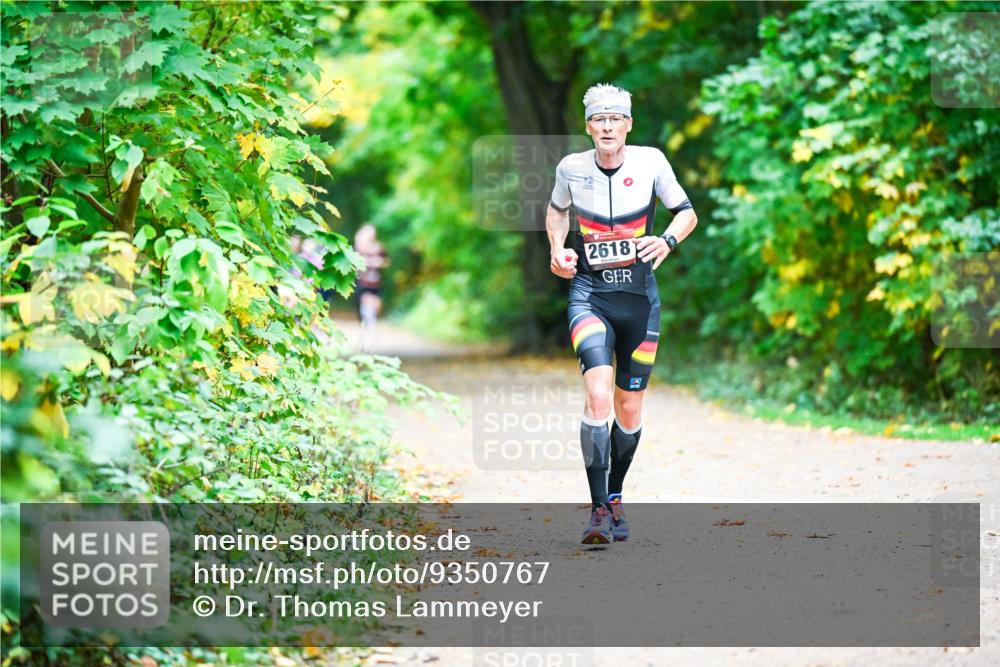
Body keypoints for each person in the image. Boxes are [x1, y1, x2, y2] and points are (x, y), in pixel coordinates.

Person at [546, 83, 698, 544]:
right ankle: (596, 512)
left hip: (639, 299)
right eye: (599, 119)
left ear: (628, 124)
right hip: (589, 294)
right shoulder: (571, 167)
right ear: (588, 125)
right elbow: (556, 213)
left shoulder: (651, 162)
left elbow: (686, 212)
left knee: (628, 408)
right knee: (596, 395)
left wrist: (667, 241)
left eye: (616, 118)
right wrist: (556, 248)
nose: (607, 126)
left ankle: (614, 495)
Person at [354, 224, 388, 350]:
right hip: (363, 284)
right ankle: (367, 335)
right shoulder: (358, 249)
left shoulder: (379, 247)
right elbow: (353, 266)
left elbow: (386, 261)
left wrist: (379, 262)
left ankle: (370, 333)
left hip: (376, 284)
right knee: (364, 311)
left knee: (371, 310)